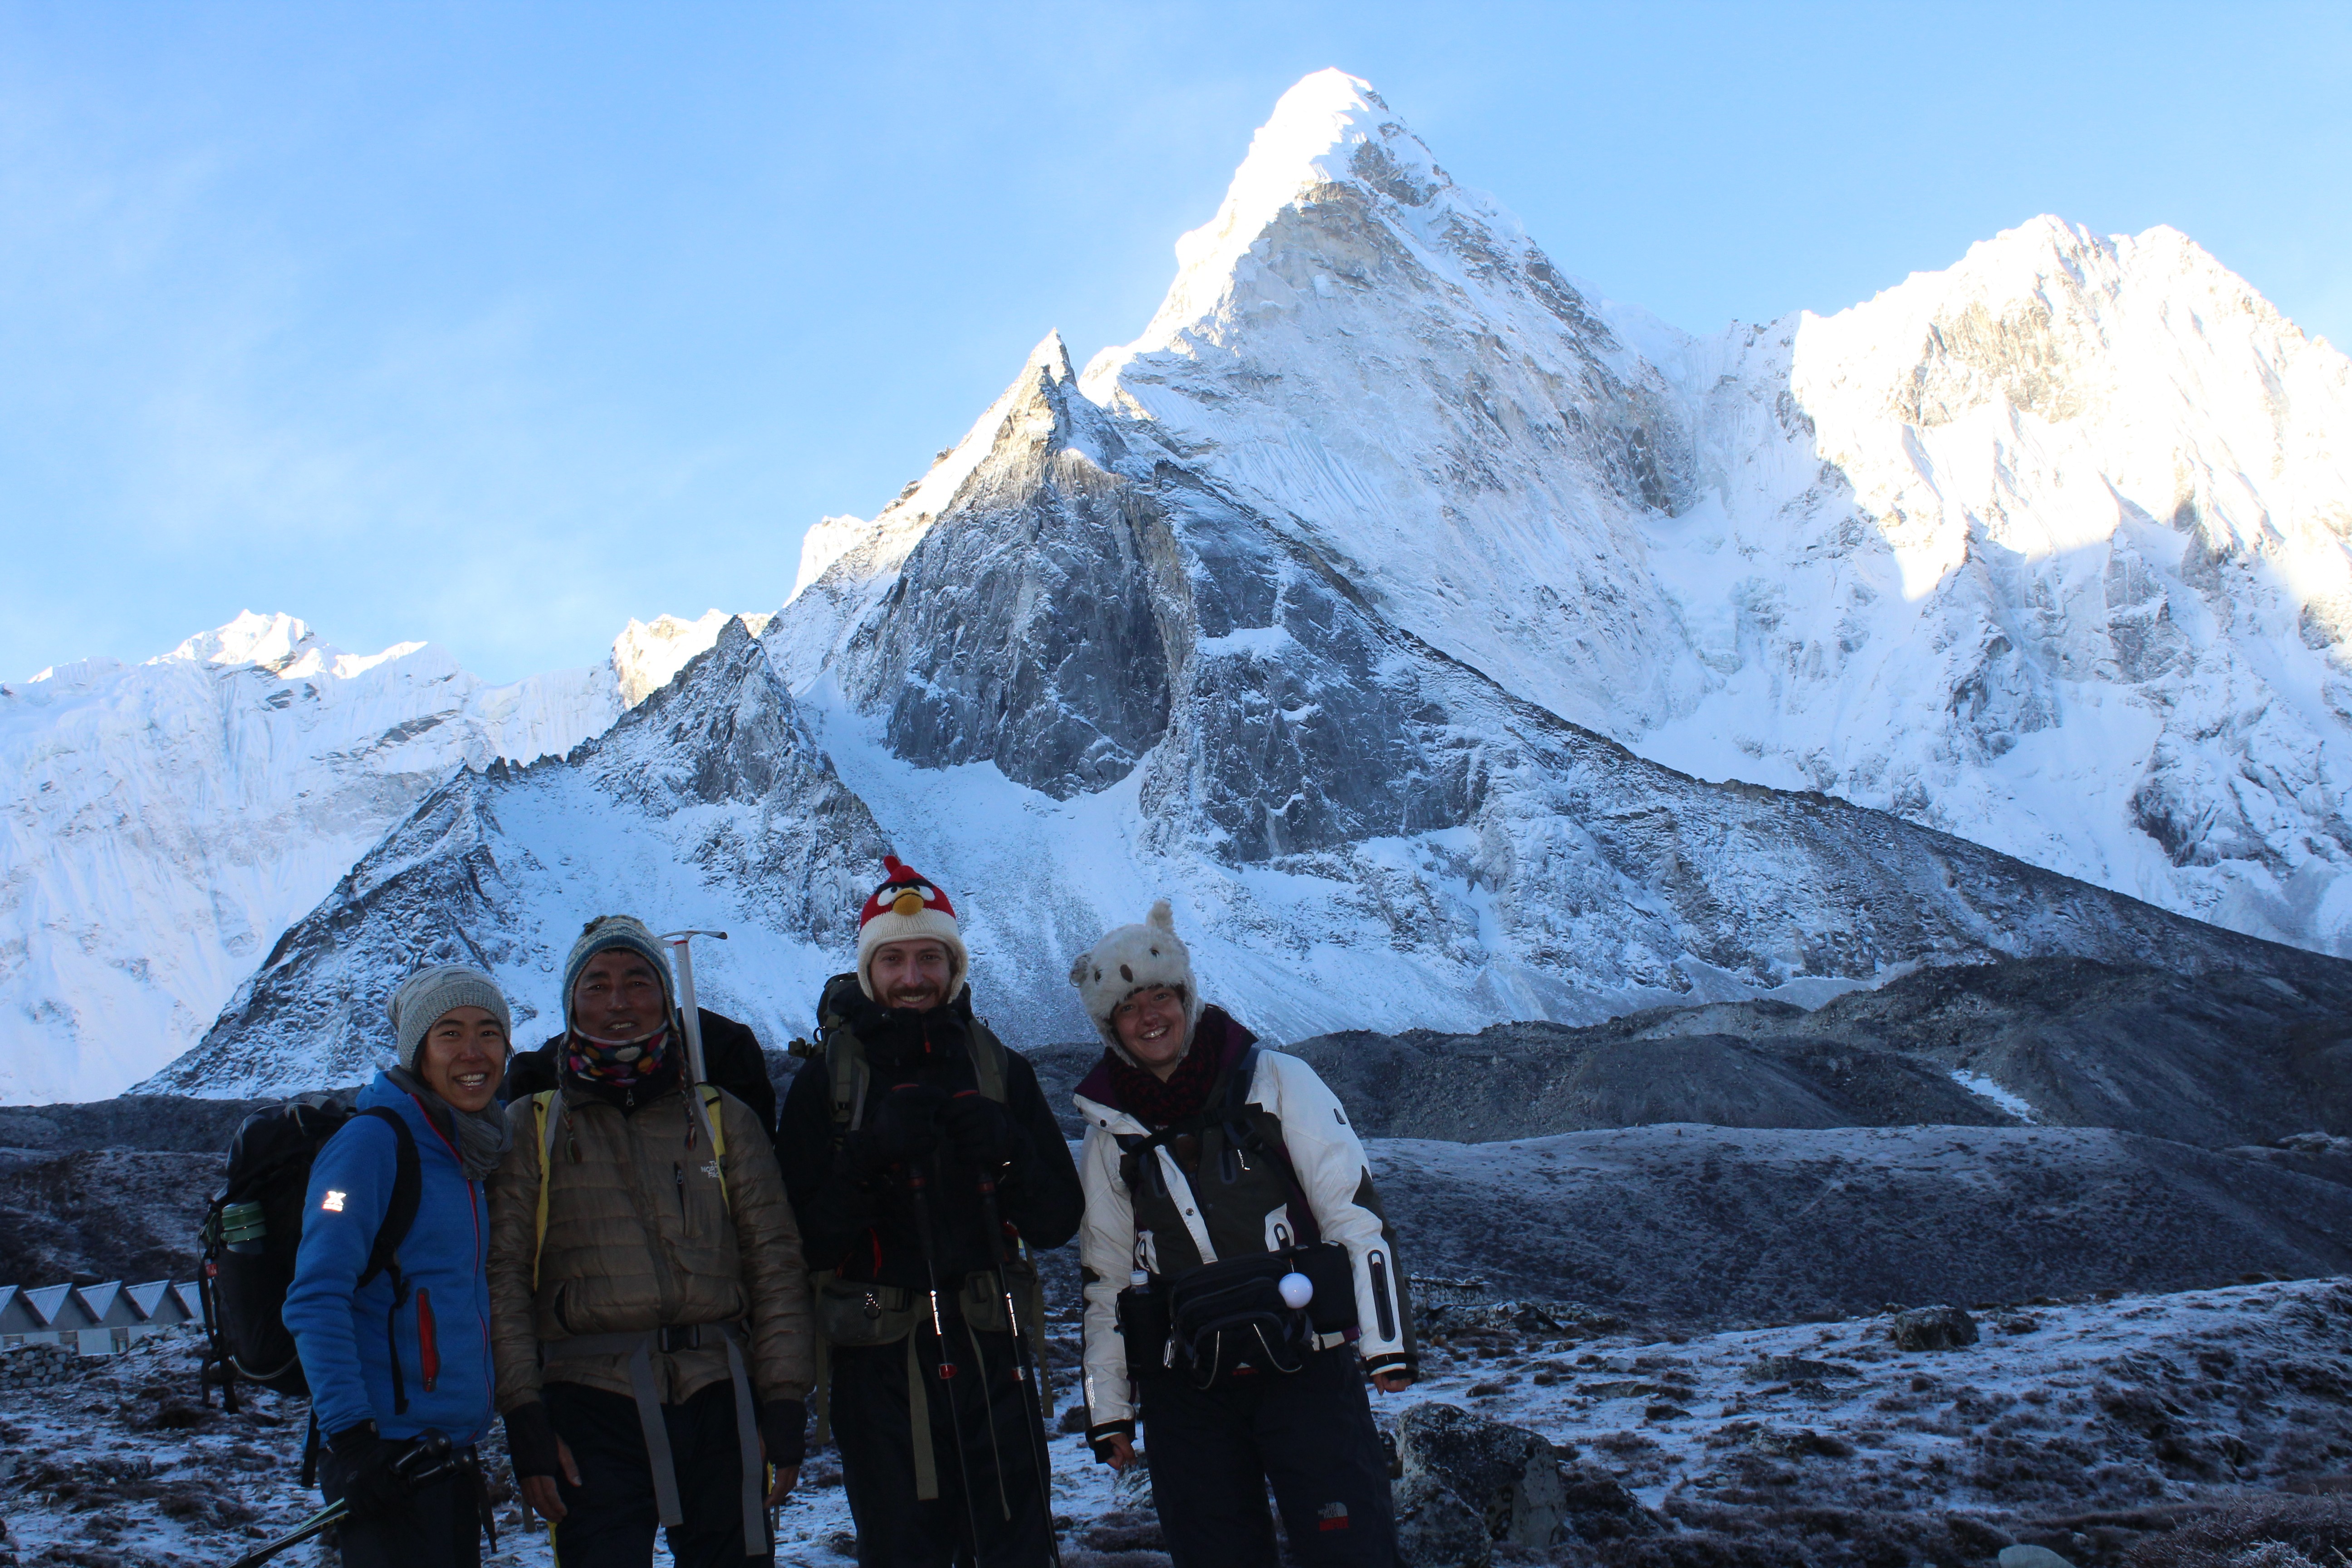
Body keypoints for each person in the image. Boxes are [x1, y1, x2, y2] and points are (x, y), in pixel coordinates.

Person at [1069, 901, 1415, 1567]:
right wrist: (1109, 1411)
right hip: (1185, 1388)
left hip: (1307, 1365)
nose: (1150, 1017)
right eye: (1129, 1007)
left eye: (1161, 996)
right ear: (1110, 1026)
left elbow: (1354, 1216)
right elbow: (1106, 1274)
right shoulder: (1108, 1136)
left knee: (1352, 1554)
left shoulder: (1280, 1081)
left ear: (1187, 998)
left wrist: (1386, 1350)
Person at [778, 857, 1086, 1568]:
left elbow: (1056, 1222)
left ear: (954, 966)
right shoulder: (826, 1086)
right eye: (893, 959)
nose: (912, 978)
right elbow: (804, 1242)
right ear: (868, 970)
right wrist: (866, 1160)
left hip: (993, 1356)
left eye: (929, 958)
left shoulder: (1001, 1070)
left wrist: (1009, 1154)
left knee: (1019, 1549)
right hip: (879, 1372)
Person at [487, 916, 814, 1568]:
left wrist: (782, 1398)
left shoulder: (724, 1119)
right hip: (587, 1403)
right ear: (571, 1004)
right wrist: (524, 1414)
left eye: (637, 982)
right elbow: (503, 1278)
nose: (618, 1003)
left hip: (721, 1396)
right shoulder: (531, 1127)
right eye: (596, 985)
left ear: (666, 999)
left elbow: (774, 1264)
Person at [284, 964, 515, 1567]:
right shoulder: (373, 1144)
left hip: (447, 1453)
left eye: (489, 1032)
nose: (473, 1051)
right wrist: (354, 1441)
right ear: (418, 1051)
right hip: (385, 1455)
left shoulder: (465, 1146)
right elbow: (316, 1296)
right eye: (450, 1033)